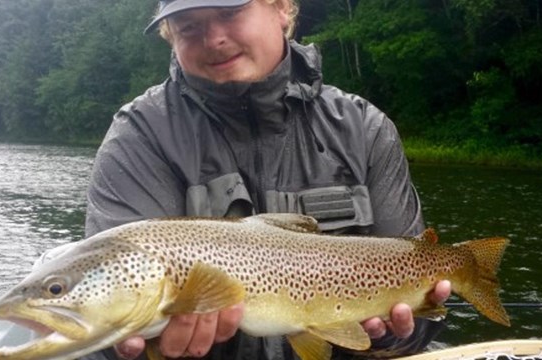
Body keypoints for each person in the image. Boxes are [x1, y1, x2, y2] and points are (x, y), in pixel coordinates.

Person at [84, 0, 452, 358]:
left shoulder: (365, 131)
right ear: (170, 37)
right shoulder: (139, 138)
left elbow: (421, 316)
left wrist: (391, 337)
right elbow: (107, 321)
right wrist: (143, 349)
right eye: (189, 27)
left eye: (229, 13)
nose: (213, 39)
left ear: (281, 8)